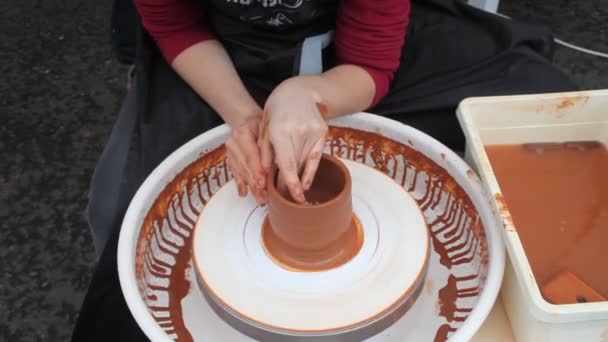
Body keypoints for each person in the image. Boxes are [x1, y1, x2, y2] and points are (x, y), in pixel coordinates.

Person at [72, 0, 576, 340]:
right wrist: (246, 117)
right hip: (218, 57)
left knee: (538, 99)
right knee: (117, 211)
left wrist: (309, 96)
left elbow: (372, 63)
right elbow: (175, 26)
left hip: (347, 54)